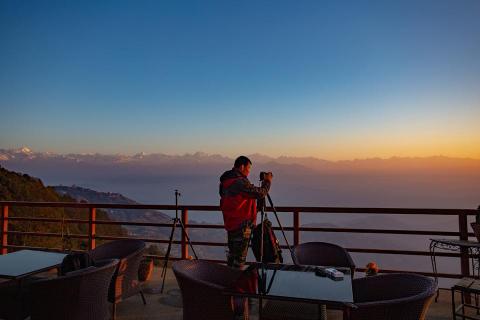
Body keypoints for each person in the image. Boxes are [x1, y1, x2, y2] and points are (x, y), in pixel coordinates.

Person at [219, 156, 272, 269]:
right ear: (242, 167)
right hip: (242, 226)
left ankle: (229, 282)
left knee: (232, 257)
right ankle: (236, 284)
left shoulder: (225, 181)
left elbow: (237, 198)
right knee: (239, 260)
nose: (249, 171)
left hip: (230, 223)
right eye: (248, 168)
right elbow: (260, 193)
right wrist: (267, 182)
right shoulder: (238, 182)